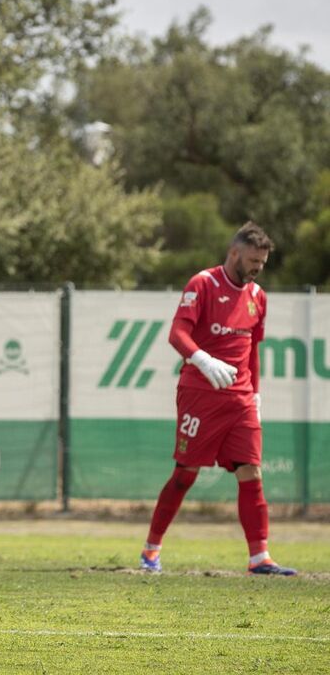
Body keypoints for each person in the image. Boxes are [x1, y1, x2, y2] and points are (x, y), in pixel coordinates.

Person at [139, 222, 295, 576]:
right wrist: (202, 360)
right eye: (253, 260)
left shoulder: (258, 296)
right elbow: (177, 334)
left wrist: (255, 394)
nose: (257, 268)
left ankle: (260, 557)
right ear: (234, 253)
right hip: (199, 394)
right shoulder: (203, 284)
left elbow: (252, 349)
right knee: (185, 474)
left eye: (263, 263)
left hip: (240, 398)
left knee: (251, 471)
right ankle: (151, 550)